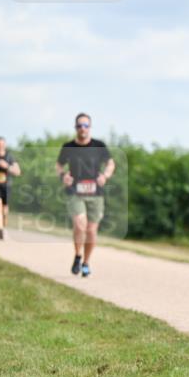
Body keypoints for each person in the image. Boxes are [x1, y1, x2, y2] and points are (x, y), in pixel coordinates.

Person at [56, 113, 115, 278]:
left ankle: (86, 263)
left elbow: (110, 163)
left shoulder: (99, 145)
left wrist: (105, 175)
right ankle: (77, 255)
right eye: (80, 125)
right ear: (75, 127)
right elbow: (59, 165)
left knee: (91, 231)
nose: (83, 128)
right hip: (76, 192)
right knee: (79, 224)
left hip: (96, 193)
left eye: (86, 125)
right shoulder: (68, 147)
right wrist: (63, 176)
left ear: (90, 127)